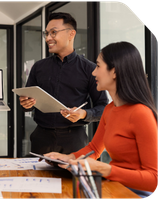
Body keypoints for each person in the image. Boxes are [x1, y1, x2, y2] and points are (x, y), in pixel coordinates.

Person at [43, 41, 158, 198]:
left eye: (98, 66)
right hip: (114, 186)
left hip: (137, 193)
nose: (93, 73)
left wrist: (104, 169)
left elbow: (154, 180)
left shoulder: (141, 114)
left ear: (114, 71)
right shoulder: (110, 109)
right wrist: (68, 158)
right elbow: (94, 149)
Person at [20, 12, 108, 155]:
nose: (48, 38)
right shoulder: (39, 67)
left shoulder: (90, 69)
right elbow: (27, 105)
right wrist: (26, 104)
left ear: (71, 34)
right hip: (41, 137)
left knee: (73, 178)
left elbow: (104, 107)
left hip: (74, 140)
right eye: (46, 33)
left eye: (53, 33)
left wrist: (84, 113)